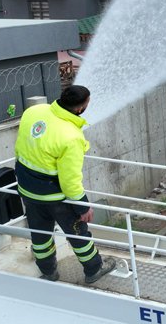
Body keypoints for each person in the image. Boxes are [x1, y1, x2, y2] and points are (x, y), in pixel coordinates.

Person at [14, 85, 116, 284]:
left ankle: (48, 272)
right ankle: (94, 269)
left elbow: (22, 145)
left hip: (28, 191)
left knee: (40, 235)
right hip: (56, 199)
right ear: (79, 109)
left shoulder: (34, 111)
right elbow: (70, 181)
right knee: (78, 234)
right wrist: (82, 205)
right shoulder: (71, 137)